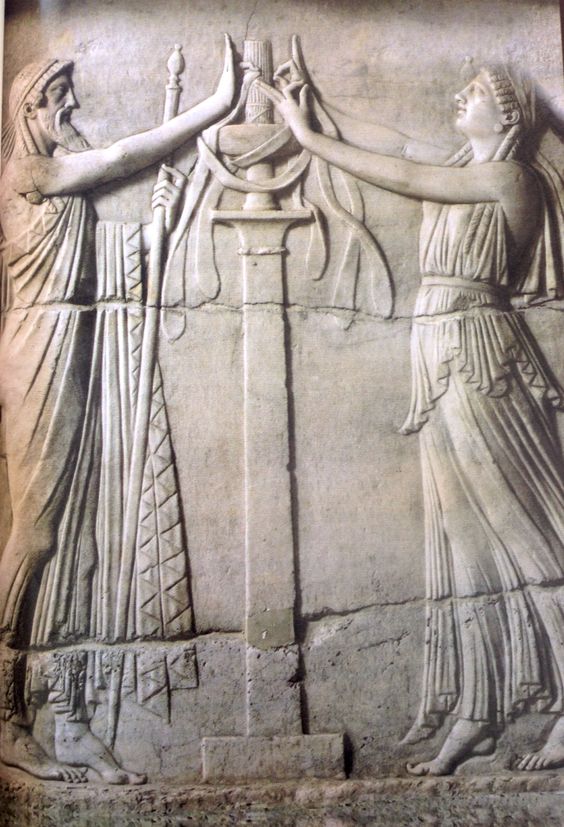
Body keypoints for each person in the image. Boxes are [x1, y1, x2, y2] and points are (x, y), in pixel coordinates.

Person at [258, 62, 564, 775]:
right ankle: (479, 711)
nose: (459, 97)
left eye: (476, 93)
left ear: (510, 116)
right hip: (440, 352)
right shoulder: (462, 163)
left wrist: (309, 137)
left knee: (523, 528)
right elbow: (395, 143)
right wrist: (315, 106)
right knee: (462, 537)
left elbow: (401, 173)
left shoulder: (510, 177)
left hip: (479, 352)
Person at [0, 37, 258, 783]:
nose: (73, 108)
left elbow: (97, 248)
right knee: (37, 533)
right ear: (31, 110)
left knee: (81, 537)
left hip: (76, 347)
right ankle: (7, 716)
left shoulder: (56, 178)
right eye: (61, 100)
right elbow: (118, 158)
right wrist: (212, 106)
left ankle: (70, 719)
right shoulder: (28, 173)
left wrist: (155, 225)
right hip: (39, 352)